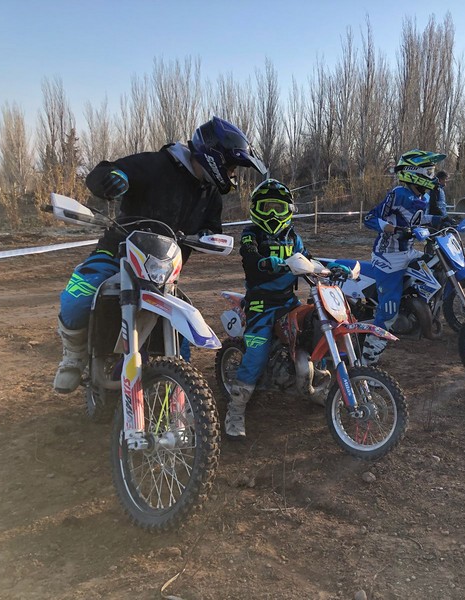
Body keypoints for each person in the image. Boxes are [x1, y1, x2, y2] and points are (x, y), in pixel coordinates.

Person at [54, 116, 265, 394]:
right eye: (232, 166)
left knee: (182, 339)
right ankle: (73, 355)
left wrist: (208, 237)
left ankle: (178, 396)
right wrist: (111, 178)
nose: (233, 173)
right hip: (117, 253)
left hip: (162, 274)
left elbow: (212, 228)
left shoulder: (211, 194)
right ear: (216, 156)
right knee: (77, 297)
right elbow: (102, 172)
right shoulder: (156, 164)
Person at [225, 179, 317, 439]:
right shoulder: (251, 233)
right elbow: (249, 256)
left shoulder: (293, 237)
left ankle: (311, 381)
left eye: (279, 207)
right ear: (257, 208)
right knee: (256, 354)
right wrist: (265, 262)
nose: (274, 214)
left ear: (289, 209)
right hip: (260, 303)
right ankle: (235, 410)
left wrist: (331, 266)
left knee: (312, 330)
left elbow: (309, 258)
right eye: (268, 207)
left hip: (288, 301)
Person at [360, 149, 451, 365]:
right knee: (388, 313)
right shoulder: (398, 193)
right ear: (414, 173)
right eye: (429, 171)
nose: (432, 175)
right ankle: (367, 361)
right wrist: (396, 230)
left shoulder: (422, 197)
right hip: (388, 257)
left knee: (437, 268)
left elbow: (417, 218)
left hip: (408, 252)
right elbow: (370, 218)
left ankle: (415, 310)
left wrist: (440, 220)